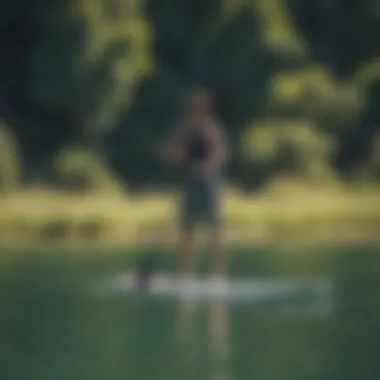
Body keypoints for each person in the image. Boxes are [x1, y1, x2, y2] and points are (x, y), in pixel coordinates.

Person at [157, 87, 229, 279]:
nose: (195, 111)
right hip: (190, 185)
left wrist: (206, 167)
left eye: (198, 107)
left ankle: (218, 276)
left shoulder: (211, 130)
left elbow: (219, 155)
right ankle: (184, 275)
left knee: (214, 231)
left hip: (207, 185)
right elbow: (180, 152)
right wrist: (167, 154)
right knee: (187, 232)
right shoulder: (187, 130)